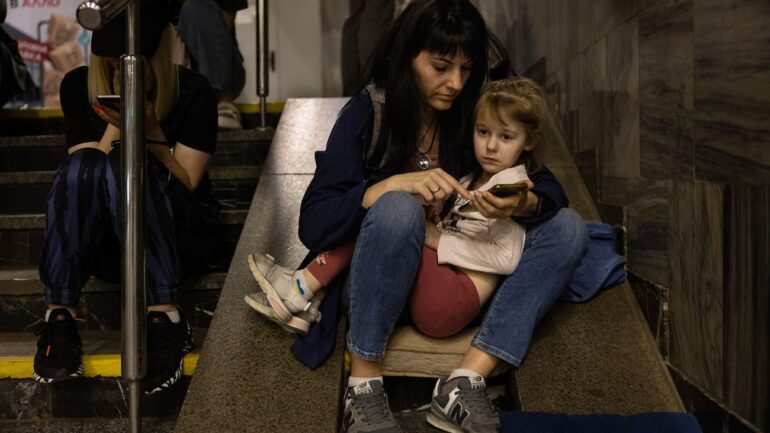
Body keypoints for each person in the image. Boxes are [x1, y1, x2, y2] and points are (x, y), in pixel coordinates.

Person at [255, 1, 586, 432]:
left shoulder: (469, 114)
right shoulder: (370, 111)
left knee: (568, 228)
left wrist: (522, 203)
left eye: (466, 70)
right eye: (441, 67)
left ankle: (465, 381)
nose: (455, 83)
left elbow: (550, 188)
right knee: (398, 208)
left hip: (454, 275)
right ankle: (364, 385)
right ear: (407, 56)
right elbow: (315, 223)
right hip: (377, 280)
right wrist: (387, 187)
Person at [244, 78, 548, 341]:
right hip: (441, 282)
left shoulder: (513, 188)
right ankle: (308, 292)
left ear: (530, 141)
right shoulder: (472, 176)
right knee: (389, 214)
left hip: (454, 298)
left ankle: (303, 287)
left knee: (390, 211)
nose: (491, 146)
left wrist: (435, 237)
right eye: (483, 132)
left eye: (505, 137)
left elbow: (506, 258)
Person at [33, 0, 220, 395]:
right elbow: (84, 182)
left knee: (127, 167)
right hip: (108, 237)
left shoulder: (194, 91)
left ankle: (164, 315)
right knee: (88, 164)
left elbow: (187, 180)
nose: (122, 65)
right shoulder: (77, 87)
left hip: (173, 229)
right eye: (113, 59)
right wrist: (120, 118)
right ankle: (59, 314)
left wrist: (149, 129)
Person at [176, 0, 247, 129]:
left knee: (196, 7)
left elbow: (225, 24)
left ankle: (222, 100)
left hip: (219, 69)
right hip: (169, 67)